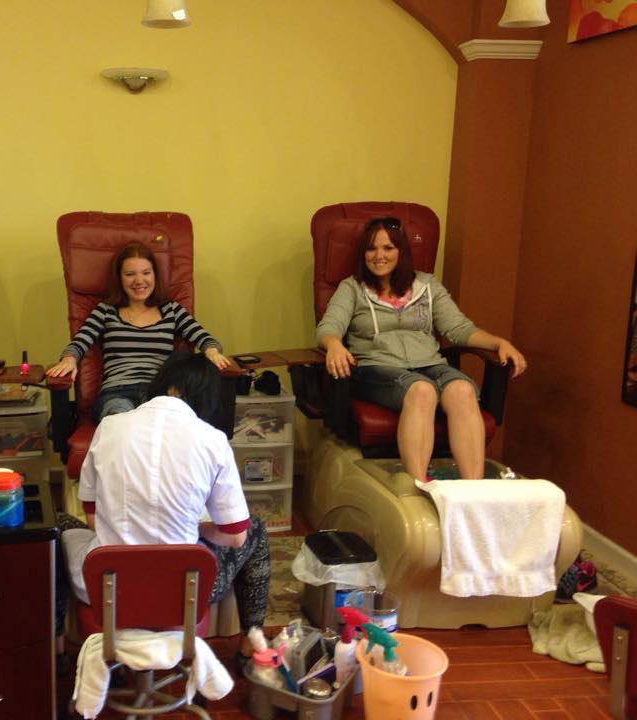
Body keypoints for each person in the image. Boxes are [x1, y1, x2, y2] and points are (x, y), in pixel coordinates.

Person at [58, 352, 270, 659]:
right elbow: (236, 536)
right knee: (256, 530)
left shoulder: (110, 427)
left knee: (54, 527)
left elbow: (92, 518)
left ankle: (56, 646)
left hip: (106, 588)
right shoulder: (213, 440)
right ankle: (252, 644)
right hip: (185, 593)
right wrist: (200, 529)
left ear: (166, 385)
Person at [316, 216, 527, 481]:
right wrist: (334, 344)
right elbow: (328, 327)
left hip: (430, 364)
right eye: (371, 248)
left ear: (401, 251)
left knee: (462, 390)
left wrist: (499, 342)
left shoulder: (427, 286)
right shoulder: (352, 288)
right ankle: (419, 485)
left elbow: (458, 328)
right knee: (421, 391)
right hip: (377, 368)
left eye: (388, 248)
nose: (379, 256)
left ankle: (472, 488)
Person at [46, 241, 232, 421]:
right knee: (121, 419)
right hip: (117, 393)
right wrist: (69, 358)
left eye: (146, 273)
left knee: (160, 424)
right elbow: (80, 341)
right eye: (130, 274)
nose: (139, 281)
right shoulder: (106, 310)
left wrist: (212, 351)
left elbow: (204, 338)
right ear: (120, 278)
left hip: (159, 394)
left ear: (154, 275)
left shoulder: (171, 310)